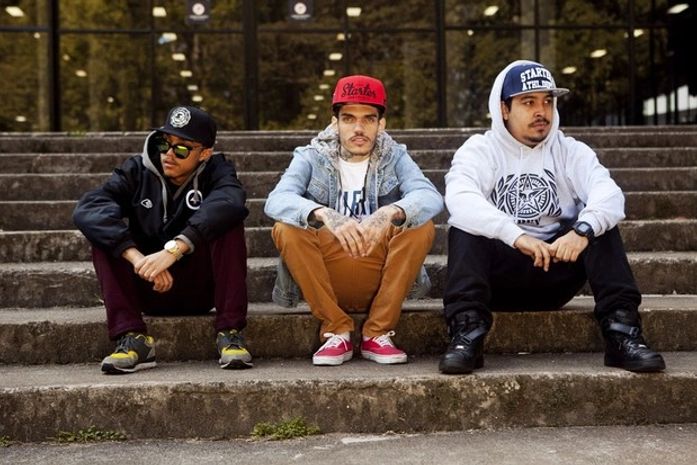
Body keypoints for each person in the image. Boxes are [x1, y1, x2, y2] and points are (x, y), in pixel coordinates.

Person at [440, 60, 665, 374]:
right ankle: (467, 334)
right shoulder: (480, 150)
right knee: (465, 226)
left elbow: (609, 194)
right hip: (497, 280)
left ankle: (622, 335)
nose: (541, 111)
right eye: (528, 102)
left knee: (600, 224)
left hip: (556, 273)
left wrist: (582, 231)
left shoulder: (570, 151)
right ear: (503, 109)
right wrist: (516, 236)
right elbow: (460, 198)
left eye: (547, 101)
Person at [265, 75, 443, 366]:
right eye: (348, 118)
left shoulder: (395, 157)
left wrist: (388, 212)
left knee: (419, 224)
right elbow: (277, 200)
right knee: (286, 228)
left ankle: (377, 332)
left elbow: (429, 196)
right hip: (328, 275)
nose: (358, 128)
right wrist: (324, 213)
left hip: (378, 272)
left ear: (381, 124)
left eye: (368, 119)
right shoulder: (311, 157)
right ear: (335, 122)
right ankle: (335, 329)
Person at [73, 105, 252, 374]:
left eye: (181, 149)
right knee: (104, 235)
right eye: (163, 143)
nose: (168, 154)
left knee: (228, 221)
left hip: (200, 288)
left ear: (204, 153)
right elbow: (89, 208)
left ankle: (230, 331)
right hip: (147, 286)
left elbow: (230, 202)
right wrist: (138, 259)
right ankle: (132, 337)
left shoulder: (218, 171)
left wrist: (173, 251)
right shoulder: (137, 171)